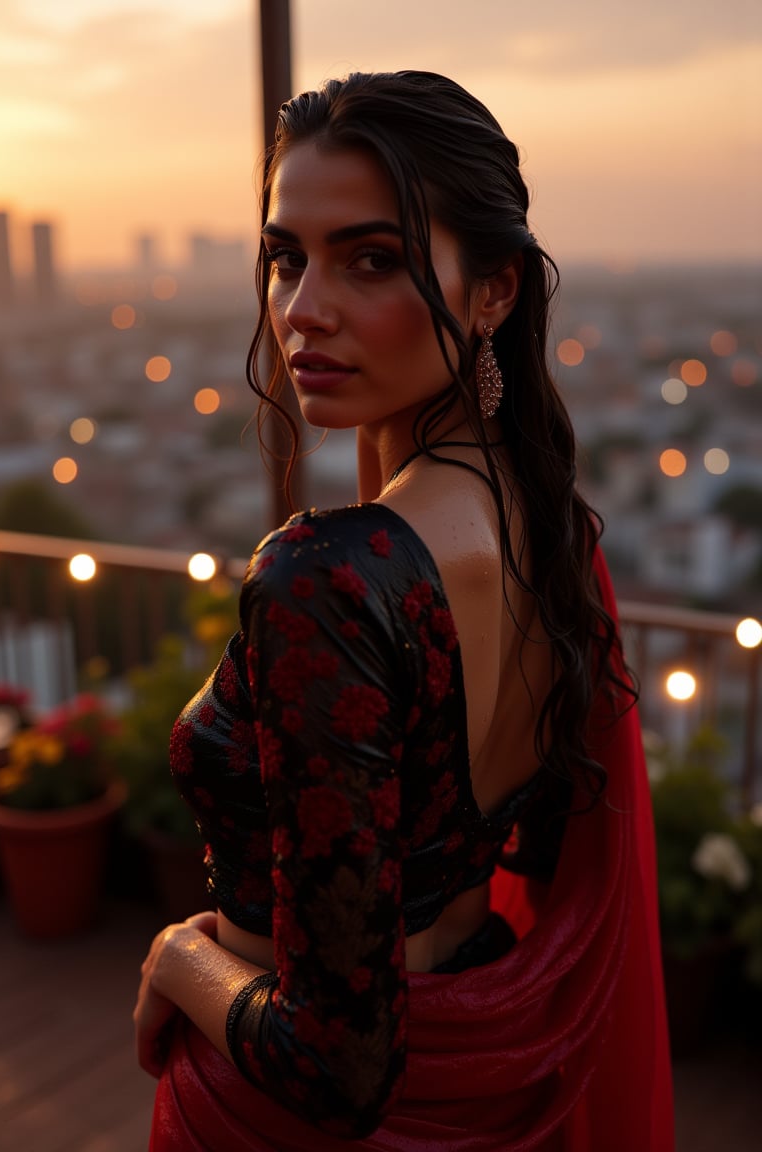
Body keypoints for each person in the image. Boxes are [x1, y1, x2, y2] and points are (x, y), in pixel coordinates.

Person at [135, 70, 674, 1150]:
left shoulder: (330, 576)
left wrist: (179, 961)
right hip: (488, 1068)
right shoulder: (542, 520)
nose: (303, 309)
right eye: (288, 257)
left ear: (494, 290)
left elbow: (339, 1065)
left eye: (370, 259)